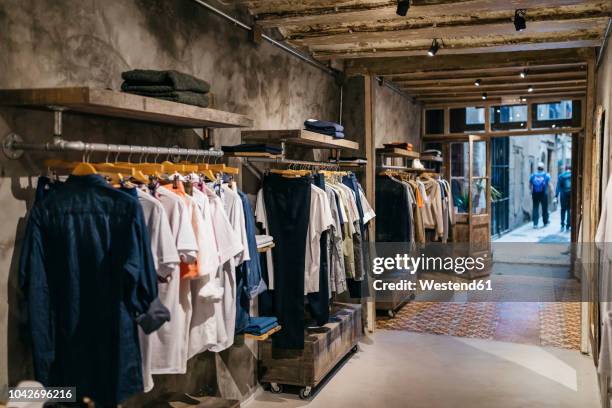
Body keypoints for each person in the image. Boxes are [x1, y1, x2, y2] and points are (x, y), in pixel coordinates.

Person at [529, 162, 552, 228]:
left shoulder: (533, 175)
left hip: (535, 194)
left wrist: (531, 191)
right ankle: (545, 222)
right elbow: (549, 184)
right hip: (544, 194)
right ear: (543, 168)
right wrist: (552, 192)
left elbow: (530, 185)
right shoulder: (546, 175)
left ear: (537, 168)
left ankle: (535, 224)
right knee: (544, 208)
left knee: (535, 208)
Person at [556, 165, 572, 231]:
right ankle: (568, 226)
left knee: (563, 210)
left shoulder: (561, 176)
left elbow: (558, 187)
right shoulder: (572, 175)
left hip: (563, 195)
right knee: (569, 209)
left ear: (565, 169)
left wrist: (556, 196)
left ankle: (562, 225)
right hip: (571, 194)